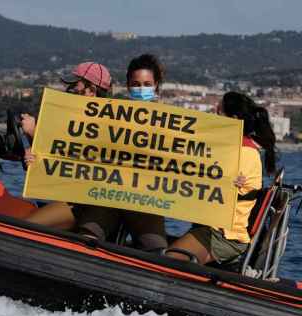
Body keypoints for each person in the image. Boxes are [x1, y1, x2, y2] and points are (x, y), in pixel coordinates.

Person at [166, 92, 277, 265]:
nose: (213, 116)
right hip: (210, 229)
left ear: (232, 120)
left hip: (224, 236)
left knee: (169, 261)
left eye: (218, 113)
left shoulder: (245, 154)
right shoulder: (228, 150)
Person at [71, 54, 168, 251]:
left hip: (144, 202)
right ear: (128, 85)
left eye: (147, 84)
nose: (141, 89)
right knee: (85, 239)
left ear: (156, 86)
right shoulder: (111, 114)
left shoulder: (171, 124)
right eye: (136, 84)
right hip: (106, 197)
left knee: (157, 250)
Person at [21, 61, 112, 230]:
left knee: (24, 229)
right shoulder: (69, 121)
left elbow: (75, 165)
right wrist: (33, 154)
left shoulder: (101, 126)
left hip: (80, 204)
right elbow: (55, 162)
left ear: (90, 91)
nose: (68, 90)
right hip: (64, 198)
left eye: (73, 85)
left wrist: (34, 134)